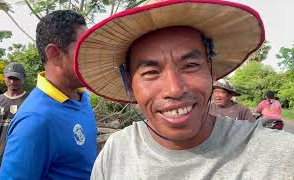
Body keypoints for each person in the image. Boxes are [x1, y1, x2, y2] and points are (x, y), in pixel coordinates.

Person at [73, 0, 294, 179]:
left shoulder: (279, 156)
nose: (174, 89)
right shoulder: (116, 151)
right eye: (150, 72)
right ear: (130, 84)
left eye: (190, 66)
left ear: (211, 70)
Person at [0, 10, 97, 180]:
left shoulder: (81, 98)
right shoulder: (35, 121)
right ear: (55, 55)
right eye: (84, 47)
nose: (92, 56)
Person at [0, 62, 28, 178]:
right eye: (10, 78)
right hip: (1, 158)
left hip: (25, 157)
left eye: (16, 78)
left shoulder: (31, 100)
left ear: (24, 78)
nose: (12, 82)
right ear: (4, 78)